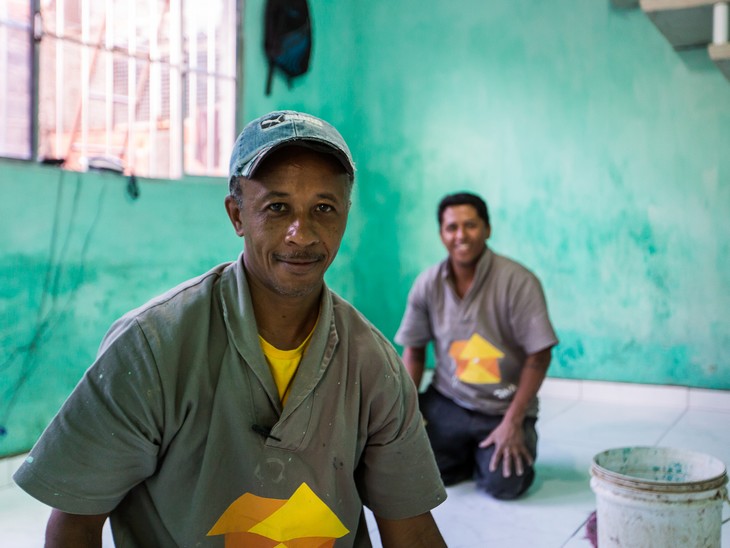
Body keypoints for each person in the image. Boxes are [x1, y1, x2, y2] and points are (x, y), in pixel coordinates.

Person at [14, 110, 447, 547]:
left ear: (345, 216)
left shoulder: (373, 365)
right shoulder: (152, 347)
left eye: (324, 208)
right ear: (237, 215)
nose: (302, 234)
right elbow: (75, 523)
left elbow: (410, 528)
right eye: (277, 208)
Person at [395, 191, 558, 500]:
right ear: (441, 234)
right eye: (452, 227)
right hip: (448, 400)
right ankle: (467, 454)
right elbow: (414, 352)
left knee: (505, 485)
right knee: (409, 465)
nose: (461, 236)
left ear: (487, 229)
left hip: (501, 406)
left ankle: (482, 453)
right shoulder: (427, 283)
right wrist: (406, 408)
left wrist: (514, 421)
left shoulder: (518, 281)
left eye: (470, 225)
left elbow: (540, 356)